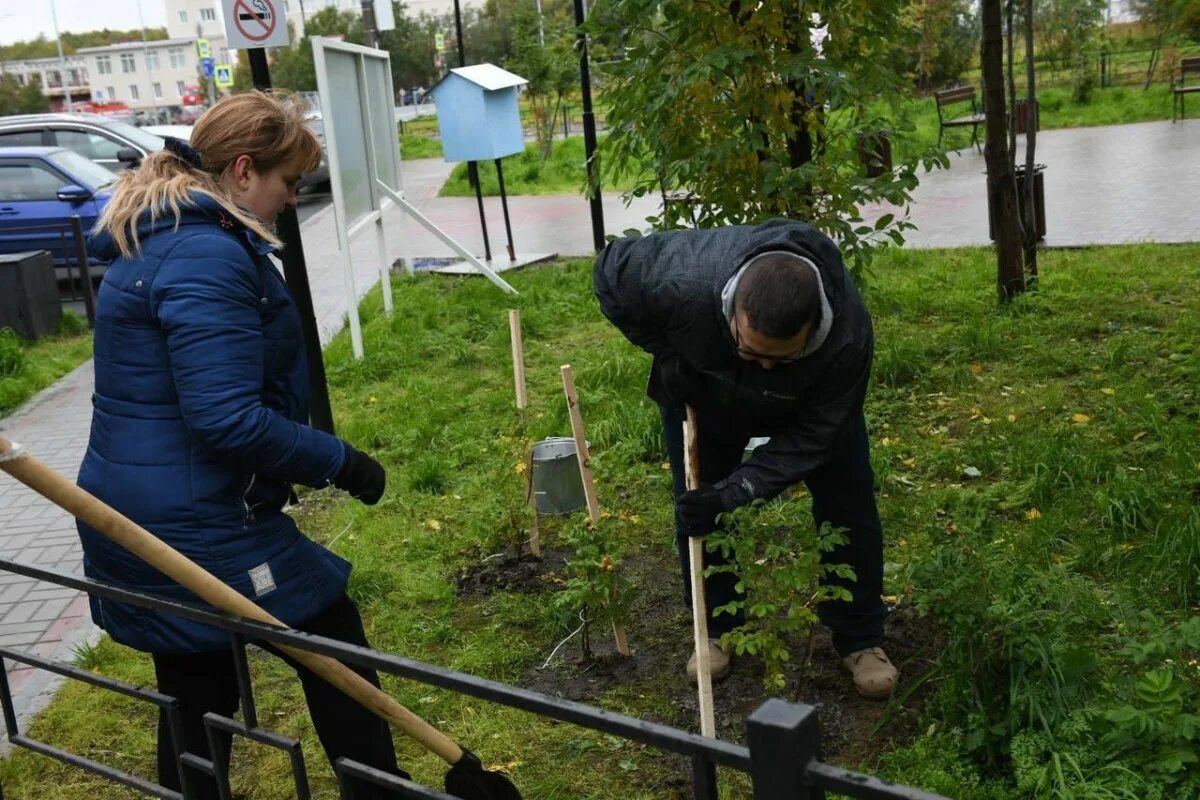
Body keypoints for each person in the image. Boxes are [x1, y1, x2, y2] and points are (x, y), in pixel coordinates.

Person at [79, 91, 406, 797]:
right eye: (289, 183)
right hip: (194, 522)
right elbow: (225, 419)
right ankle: (380, 788)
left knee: (197, 679)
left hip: (140, 515)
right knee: (329, 641)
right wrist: (342, 462)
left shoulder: (159, 238)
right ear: (245, 170)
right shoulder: (206, 255)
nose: (293, 199)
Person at [593, 219, 897, 699]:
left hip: (809, 410)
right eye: (751, 351)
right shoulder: (678, 279)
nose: (764, 367)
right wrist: (671, 352)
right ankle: (716, 629)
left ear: (814, 326)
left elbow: (813, 438)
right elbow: (606, 272)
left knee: (849, 507)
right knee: (699, 509)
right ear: (733, 313)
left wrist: (738, 491)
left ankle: (860, 637)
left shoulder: (847, 340)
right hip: (705, 393)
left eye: (781, 358)